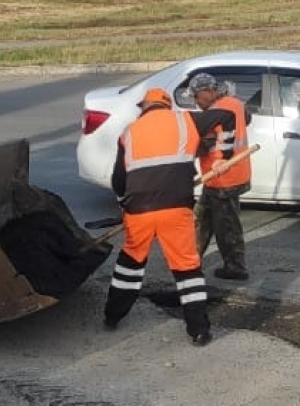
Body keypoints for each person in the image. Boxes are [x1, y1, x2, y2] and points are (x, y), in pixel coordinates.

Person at [104, 87, 237, 346]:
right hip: (176, 208)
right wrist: (223, 156)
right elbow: (228, 118)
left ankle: (112, 316)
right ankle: (198, 330)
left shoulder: (129, 133)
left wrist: (124, 205)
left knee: (130, 265)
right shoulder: (186, 119)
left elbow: (118, 180)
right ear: (167, 105)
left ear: (144, 107)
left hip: (139, 211)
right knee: (186, 267)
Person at [188, 73, 253, 281]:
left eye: (197, 97)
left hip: (224, 178)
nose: (196, 103)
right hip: (227, 175)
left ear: (208, 91)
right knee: (202, 218)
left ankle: (236, 267)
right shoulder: (235, 103)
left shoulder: (216, 113)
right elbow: (247, 119)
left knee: (226, 225)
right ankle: (191, 261)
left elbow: (206, 145)